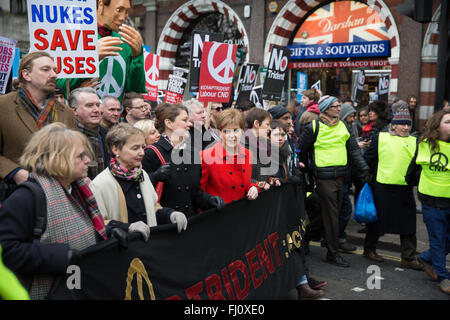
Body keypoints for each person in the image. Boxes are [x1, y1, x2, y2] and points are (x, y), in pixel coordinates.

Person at [0, 123, 108, 299]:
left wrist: (114, 232)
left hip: (76, 287)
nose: (88, 160)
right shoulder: (26, 197)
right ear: (58, 158)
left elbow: (82, 229)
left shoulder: (78, 189)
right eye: (81, 156)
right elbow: (7, 250)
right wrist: (59, 255)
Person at [298, 96, 369, 267]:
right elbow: (300, 149)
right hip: (323, 180)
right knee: (332, 217)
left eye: (339, 106)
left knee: (326, 216)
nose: (339, 108)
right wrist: (307, 170)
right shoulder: (314, 127)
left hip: (341, 178)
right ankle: (332, 253)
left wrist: (365, 170)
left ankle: (305, 239)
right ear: (326, 108)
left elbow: (353, 150)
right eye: (336, 106)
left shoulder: (343, 126)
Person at [90, 123, 187, 238]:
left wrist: (170, 214)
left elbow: (153, 208)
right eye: (135, 148)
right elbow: (98, 224)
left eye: (142, 146)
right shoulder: (99, 184)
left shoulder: (142, 174)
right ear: (115, 149)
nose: (142, 152)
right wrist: (126, 227)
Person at [0, 51, 76, 193]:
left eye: (54, 70)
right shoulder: (3, 106)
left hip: (58, 193)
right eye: (46, 70)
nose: (54, 75)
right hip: (16, 194)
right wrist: (14, 172)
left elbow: (74, 153)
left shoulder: (67, 112)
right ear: (26, 75)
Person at [362, 109, 423, 270]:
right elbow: (369, 158)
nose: (405, 128)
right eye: (401, 124)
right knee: (377, 220)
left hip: (404, 188)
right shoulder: (380, 137)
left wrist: (414, 180)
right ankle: (369, 249)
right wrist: (371, 177)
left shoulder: (415, 140)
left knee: (408, 223)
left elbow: (418, 164)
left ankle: (408, 258)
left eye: (407, 124)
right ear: (393, 126)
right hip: (382, 186)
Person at [142, 103, 224, 218]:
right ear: (169, 123)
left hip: (190, 224)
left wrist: (210, 200)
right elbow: (137, 190)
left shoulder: (192, 153)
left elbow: (196, 194)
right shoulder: (152, 153)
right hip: (164, 227)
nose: (189, 124)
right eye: (185, 120)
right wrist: (155, 176)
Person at [57, 0, 146, 103]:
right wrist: (91, 59)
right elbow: (59, 86)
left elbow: (134, 91)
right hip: (81, 115)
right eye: (119, 10)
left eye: (126, 11)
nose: (123, 17)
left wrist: (137, 57)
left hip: (115, 115)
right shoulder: (74, 36)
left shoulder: (125, 42)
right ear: (100, 4)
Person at [406, 107, 450, 295]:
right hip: (431, 201)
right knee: (438, 239)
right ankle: (443, 276)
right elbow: (412, 170)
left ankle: (425, 258)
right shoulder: (424, 144)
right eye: (448, 122)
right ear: (437, 126)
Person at [200, 108, 259, 204]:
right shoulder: (206, 156)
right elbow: (199, 193)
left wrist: (252, 187)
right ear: (219, 133)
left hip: (241, 213)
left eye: (236, 130)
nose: (232, 135)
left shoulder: (248, 154)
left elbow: (245, 183)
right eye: (226, 131)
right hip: (218, 215)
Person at [69, 87, 109, 180]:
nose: (96, 110)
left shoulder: (107, 136)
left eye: (98, 105)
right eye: (89, 105)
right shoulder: (66, 138)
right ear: (74, 110)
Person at [337, 104, 358, 253]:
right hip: (340, 177)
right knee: (344, 209)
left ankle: (335, 238)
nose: (354, 118)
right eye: (351, 115)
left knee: (342, 209)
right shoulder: (343, 129)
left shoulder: (349, 128)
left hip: (345, 176)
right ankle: (337, 238)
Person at [243, 108, 273, 189]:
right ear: (256, 123)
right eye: (267, 124)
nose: (270, 129)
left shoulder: (266, 144)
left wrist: (271, 179)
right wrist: (257, 183)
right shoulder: (242, 145)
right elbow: (239, 176)